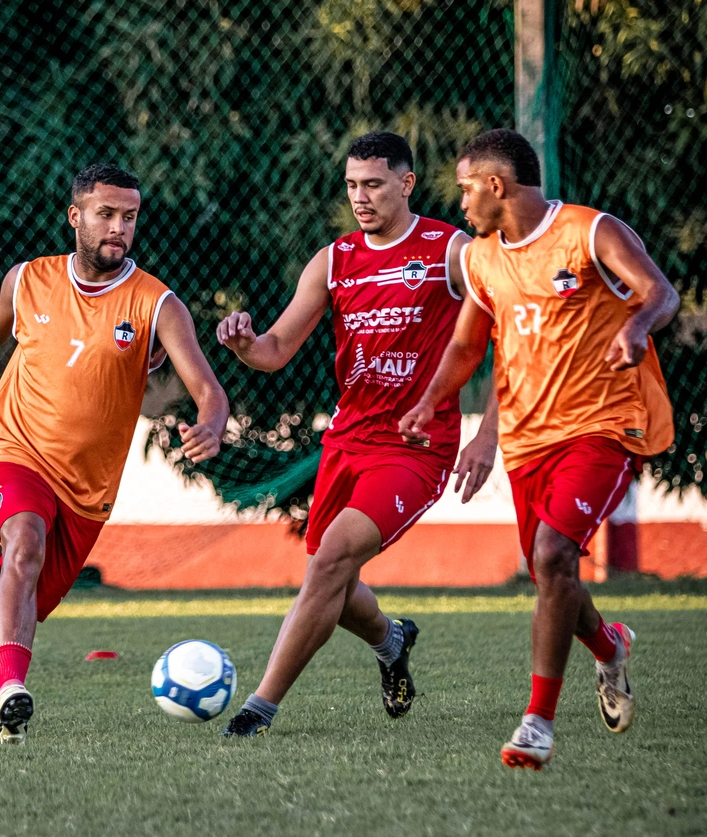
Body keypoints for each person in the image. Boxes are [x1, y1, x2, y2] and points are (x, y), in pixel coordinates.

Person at [0, 162, 229, 743]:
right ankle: (12, 694)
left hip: (87, 491)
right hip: (15, 448)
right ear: (74, 216)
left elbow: (208, 388)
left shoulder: (158, 304)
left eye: (129, 217)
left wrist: (211, 423)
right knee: (22, 548)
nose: (118, 228)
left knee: (1, 625)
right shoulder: (28, 280)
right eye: (106, 214)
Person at [400, 129, 678, 770]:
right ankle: (608, 649)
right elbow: (469, 348)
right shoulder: (482, 260)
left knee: (552, 557)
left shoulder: (589, 232)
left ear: (496, 185)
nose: (461, 201)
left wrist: (635, 325)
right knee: (554, 570)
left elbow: (660, 292)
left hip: (603, 427)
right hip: (528, 441)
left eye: (467, 187)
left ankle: (537, 722)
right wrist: (433, 405)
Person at [216, 132, 498, 737]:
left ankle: (258, 709)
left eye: (373, 184)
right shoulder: (335, 259)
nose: (360, 197)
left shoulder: (451, 250)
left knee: (330, 564)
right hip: (347, 441)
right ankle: (392, 640)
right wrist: (244, 344)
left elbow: (513, 337)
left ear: (407, 183)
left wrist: (488, 435)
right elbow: (275, 349)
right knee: (333, 582)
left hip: (415, 448)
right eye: (351, 185)